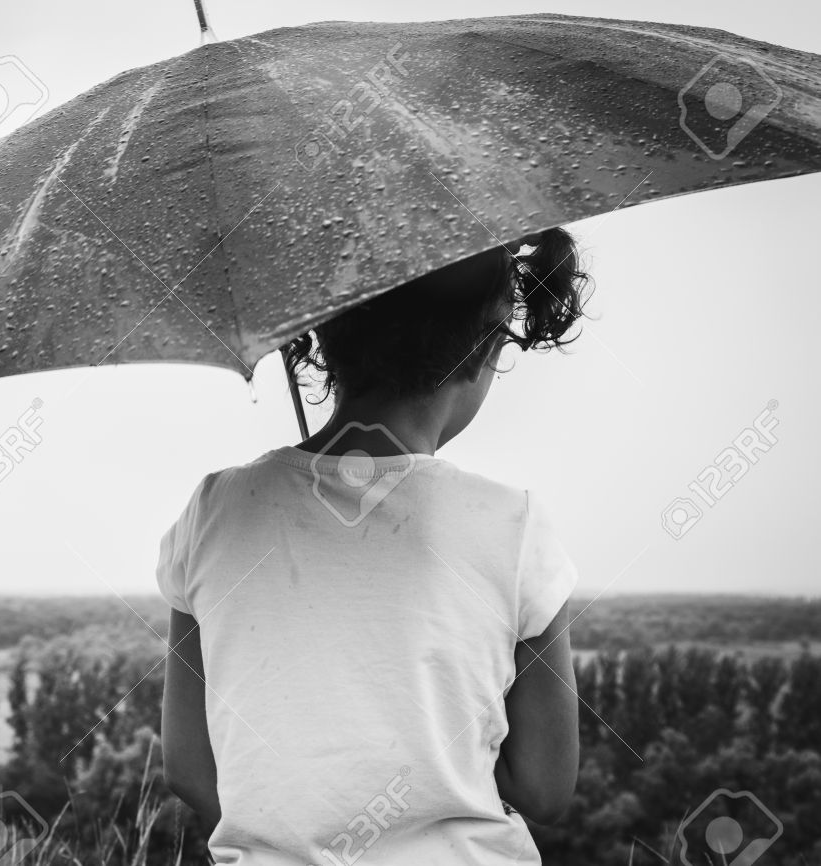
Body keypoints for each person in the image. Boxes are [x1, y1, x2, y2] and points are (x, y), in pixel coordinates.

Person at [158, 229, 589, 864]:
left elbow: (190, 767)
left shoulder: (214, 512)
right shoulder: (511, 524)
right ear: (487, 345)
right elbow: (546, 788)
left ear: (321, 336)